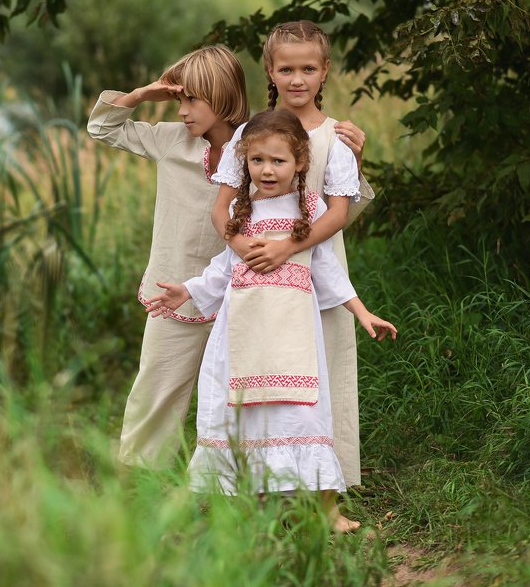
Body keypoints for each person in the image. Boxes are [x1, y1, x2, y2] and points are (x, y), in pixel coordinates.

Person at [145, 109, 396, 532]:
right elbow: (221, 269)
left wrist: (361, 311)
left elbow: (329, 268)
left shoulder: (310, 209)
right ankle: (254, 504)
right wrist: (187, 290)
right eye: (257, 160)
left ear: (300, 162)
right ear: (245, 162)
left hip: (294, 332)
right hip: (244, 332)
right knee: (247, 414)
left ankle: (327, 510)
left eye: (278, 161)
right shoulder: (241, 216)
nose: (266, 170)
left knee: (305, 415)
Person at [210, 20, 374, 488]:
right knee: (266, 368)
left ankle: (328, 481)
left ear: (325, 72)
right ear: (270, 70)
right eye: (286, 69)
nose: (296, 79)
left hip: (314, 263)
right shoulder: (250, 135)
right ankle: (264, 477)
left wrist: (287, 248)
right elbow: (221, 210)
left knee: (326, 370)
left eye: (307, 68)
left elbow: (338, 212)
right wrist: (242, 247)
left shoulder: (335, 138)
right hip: (259, 273)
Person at [86, 45, 250, 467]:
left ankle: (245, 480)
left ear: (224, 95)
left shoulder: (257, 145)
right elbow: (102, 129)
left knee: (243, 392)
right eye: (179, 99)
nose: (182, 111)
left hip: (242, 290)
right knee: (157, 386)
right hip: (171, 288)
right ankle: (140, 477)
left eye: (193, 99)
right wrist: (142, 94)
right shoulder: (169, 140)